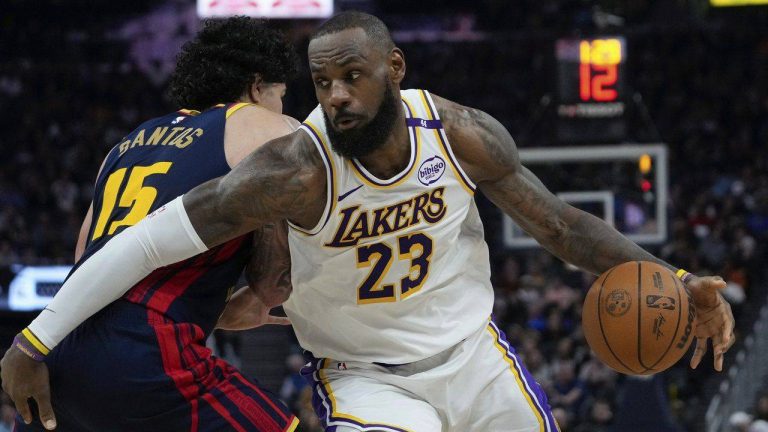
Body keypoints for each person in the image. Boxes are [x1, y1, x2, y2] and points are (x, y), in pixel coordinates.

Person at [3, 11, 735, 432]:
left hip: (475, 356)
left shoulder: (461, 133)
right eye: (322, 82)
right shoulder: (293, 166)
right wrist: (36, 338)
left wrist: (675, 274)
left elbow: (564, 228)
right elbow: (141, 243)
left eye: (353, 75)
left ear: (393, 66)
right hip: (366, 381)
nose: (338, 96)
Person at [1, 17, 301, 432]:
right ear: (256, 87)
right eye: (280, 94)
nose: (283, 107)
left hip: (62, 347)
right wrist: (260, 295)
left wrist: (207, 309)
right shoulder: (262, 124)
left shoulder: (126, 144)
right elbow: (275, 274)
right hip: (147, 351)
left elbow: (86, 256)